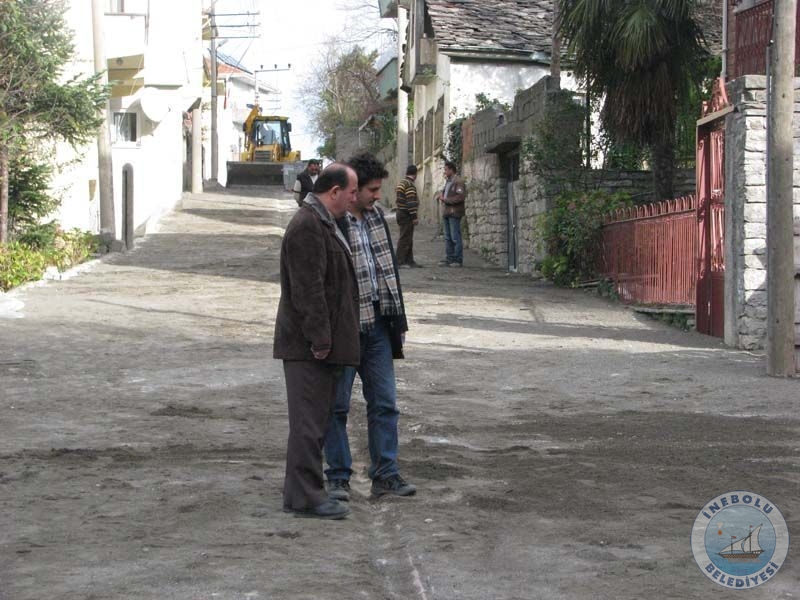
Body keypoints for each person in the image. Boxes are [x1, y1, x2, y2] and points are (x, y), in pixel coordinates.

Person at [323, 152, 417, 501]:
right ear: (352, 189)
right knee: (336, 407)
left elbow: (388, 271)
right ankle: (338, 478)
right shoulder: (330, 222)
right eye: (372, 190)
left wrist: (399, 321)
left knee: (385, 403)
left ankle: (386, 475)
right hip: (344, 329)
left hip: (378, 325)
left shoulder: (377, 218)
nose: (378, 196)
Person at [273, 163, 360, 519]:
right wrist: (321, 340)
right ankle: (307, 496)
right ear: (334, 191)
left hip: (315, 344)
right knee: (308, 422)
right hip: (307, 346)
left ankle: (304, 493)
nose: (354, 200)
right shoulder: (308, 225)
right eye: (352, 192)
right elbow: (308, 290)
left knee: (315, 419)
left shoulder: (322, 221)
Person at [434, 160, 467, 267]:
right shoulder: (448, 181)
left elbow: (460, 197)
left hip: (454, 213)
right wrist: (441, 196)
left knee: (455, 237)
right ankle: (450, 258)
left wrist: (445, 199)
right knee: (447, 237)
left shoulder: (459, 181)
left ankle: (458, 260)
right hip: (447, 212)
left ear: (451, 169)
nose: (444, 171)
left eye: (446, 169)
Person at [395, 164, 420, 268]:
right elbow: (411, 202)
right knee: (405, 238)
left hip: (400, 212)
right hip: (406, 214)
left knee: (408, 237)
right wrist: (414, 217)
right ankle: (399, 262)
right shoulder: (409, 185)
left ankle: (409, 261)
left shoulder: (402, 182)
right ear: (415, 174)